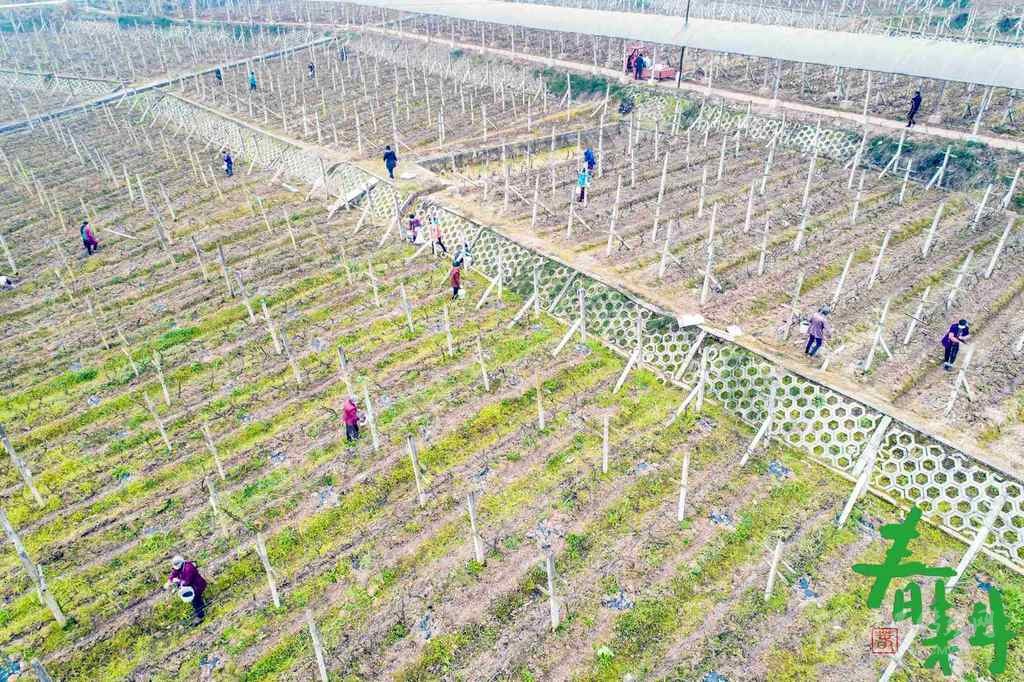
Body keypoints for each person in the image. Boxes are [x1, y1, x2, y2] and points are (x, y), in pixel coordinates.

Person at [165, 555, 207, 624]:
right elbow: (174, 573)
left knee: (195, 600)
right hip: (191, 586)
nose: (177, 568)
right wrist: (170, 580)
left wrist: (178, 582)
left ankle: (200, 616)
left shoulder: (188, 568)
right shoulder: (180, 567)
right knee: (197, 599)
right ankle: (202, 607)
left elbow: (186, 581)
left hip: (198, 585)